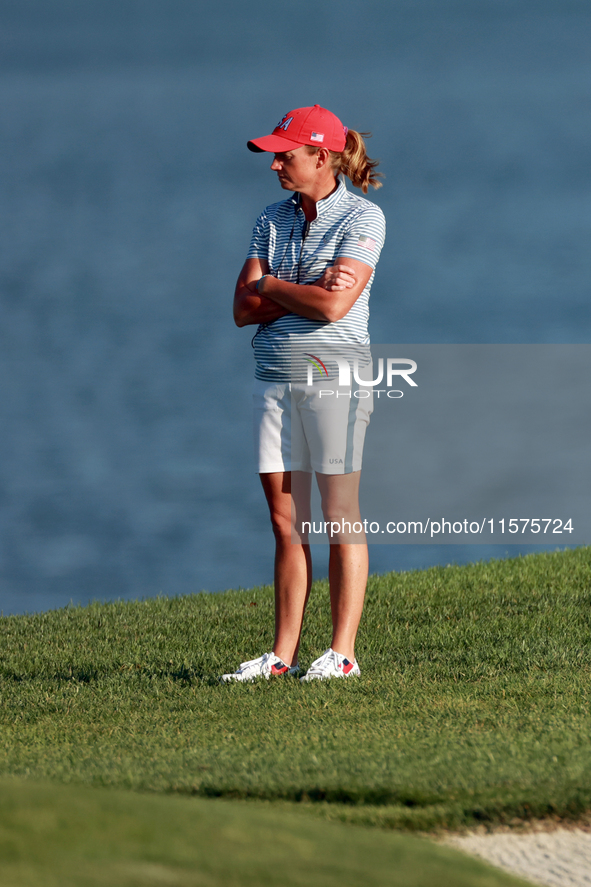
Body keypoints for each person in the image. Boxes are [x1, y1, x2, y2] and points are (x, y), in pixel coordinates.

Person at [223, 105, 385, 682]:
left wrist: (270, 286)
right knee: (284, 521)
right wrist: (294, 289)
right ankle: (282, 657)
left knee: (340, 517)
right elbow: (243, 309)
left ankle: (341, 655)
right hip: (274, 382)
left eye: (284, 155)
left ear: (321, 155)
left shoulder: (364, 219)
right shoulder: (270, 218)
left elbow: (334, 306)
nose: (274, 165)